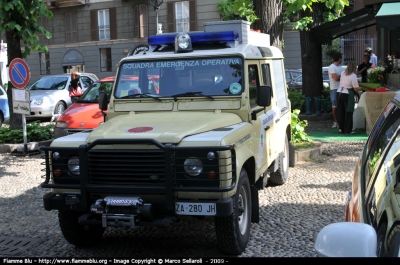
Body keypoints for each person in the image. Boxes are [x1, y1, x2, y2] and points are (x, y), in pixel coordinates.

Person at [337, 61, 362, 134]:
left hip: (339, 92)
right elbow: (355, 88)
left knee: (341, 112)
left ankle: (342, 129)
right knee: (348, 112)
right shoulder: (353, 75)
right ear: (354, 67)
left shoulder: (342, 73)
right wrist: (362, 87)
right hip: (347, 94)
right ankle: (348, 130)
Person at [328, 52, 343, 129]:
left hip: (341, 88)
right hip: (334, 89)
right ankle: (336, 121)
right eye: (341, 58)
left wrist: (339, 76)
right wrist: (341, 75)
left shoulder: (341, 68)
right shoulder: (331, 67)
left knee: (340, 106)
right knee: (334, 106)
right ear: (339, 58)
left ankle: (340, 121)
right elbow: (336, 78)